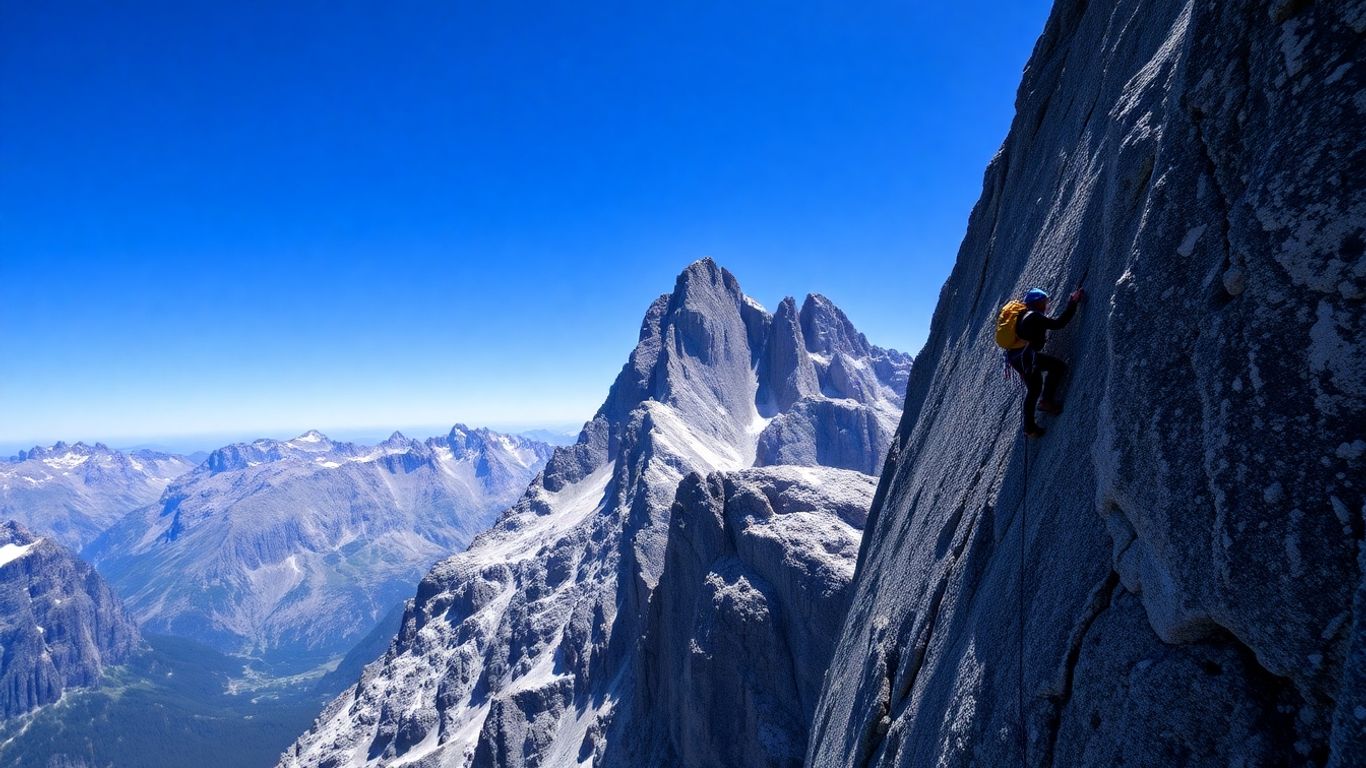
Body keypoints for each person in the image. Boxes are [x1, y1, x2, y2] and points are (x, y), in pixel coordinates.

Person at [1008, 286, 1084, 437]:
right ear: (1038, 302)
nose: (1047, 305)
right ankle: (1043, 405)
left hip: (1018, 358)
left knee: (1034, 389)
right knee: (1056, 368)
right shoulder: (1034, 316)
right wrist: (1072, 303)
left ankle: (1031, 426)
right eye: (1045, 301)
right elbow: (1058, 324)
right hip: (1026, 357)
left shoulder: (1024, 317)